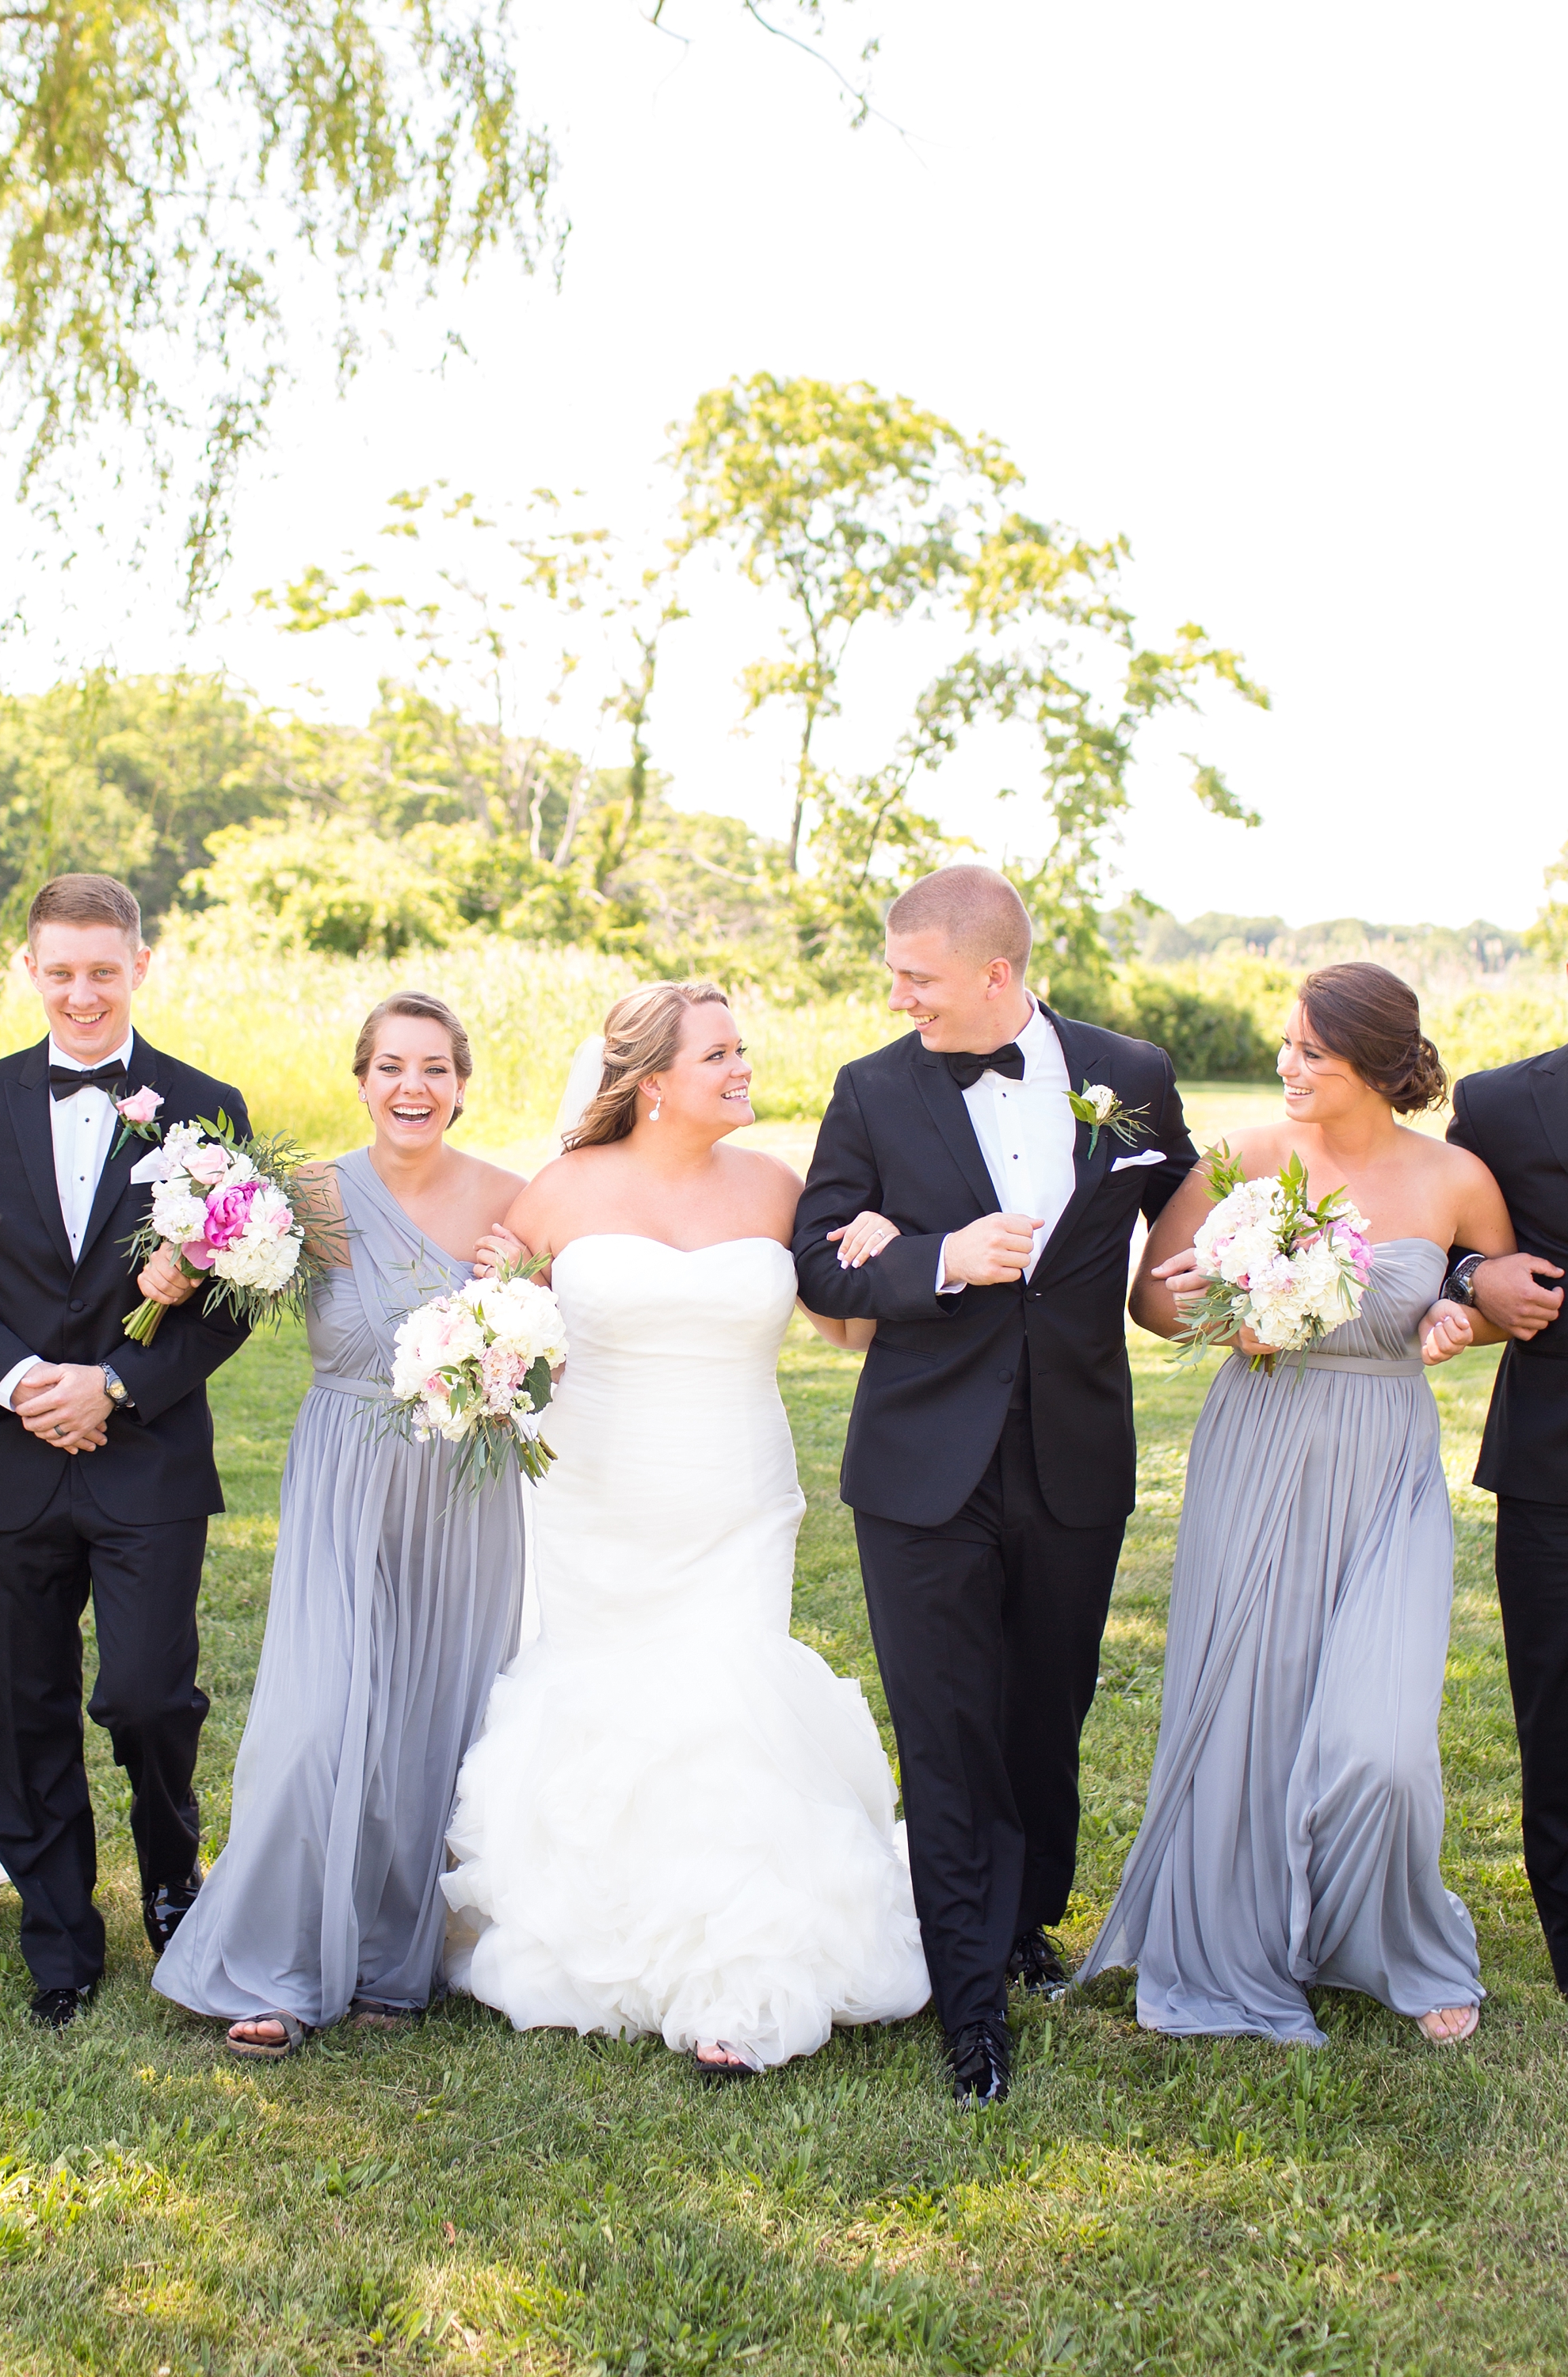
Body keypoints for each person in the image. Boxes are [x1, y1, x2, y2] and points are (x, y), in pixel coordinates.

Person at [443, 980, 929, 2080]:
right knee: (609, 1691)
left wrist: (876, 1244)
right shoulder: (561, 1189)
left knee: (727, 1695)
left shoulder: (774, 1185)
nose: (742, 1067)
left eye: (740, 1049)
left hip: (735, 1490)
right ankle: (598, 1931)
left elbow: (847, 1330)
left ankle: (740, 1969)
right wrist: (490, 1306)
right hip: (594, 1490)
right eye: (719, 1054)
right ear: (653, 1081)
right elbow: (495, 1325)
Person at [791, 864, 1200, 2108]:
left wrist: (1171, 1285)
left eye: (918, 978)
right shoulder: (871, 1089)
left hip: (1076, 1452)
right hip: (921, 1466)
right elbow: (818, 1260)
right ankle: (969, 2011)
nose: (901, 998)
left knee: (1043, 1712)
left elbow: (1173, 1186)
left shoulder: (1131, 1075)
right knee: (948, 1729)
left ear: (997, 974)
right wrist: (935, 1261)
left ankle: (1024, 1923)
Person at [1078, 961, 1514, 2046]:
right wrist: (1209, 1308)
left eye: (1311, 1051)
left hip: (1387, 1463)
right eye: (1286, 1044)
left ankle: (1397, 1941)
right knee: (1249, 1703)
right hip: (1261, 1440)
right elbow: (1153, 1300)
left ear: (1374, 1063)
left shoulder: (1457, 1178)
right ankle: (1247, 1932)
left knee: (1385, 1742)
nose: (1286, 1065)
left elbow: (1493, 1293)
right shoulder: (1249, 1158)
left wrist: (1461, 1316)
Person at [151, 993, 527, 2057]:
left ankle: (392, 1960)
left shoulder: (516, 1200)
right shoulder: (304, 1197)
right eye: (392, 1067)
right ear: (361, 1081)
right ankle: (272, 1963)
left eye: (436, 1069)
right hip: (341, 1475)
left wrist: (522, 1285)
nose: (414, 1087)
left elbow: (561, 1340)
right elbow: (198, 1291)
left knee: (432, 1718)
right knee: (313, 1720)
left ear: (462, 1083)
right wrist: (168, 1267)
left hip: (462, 1488)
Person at [0, 872, 253, 2028]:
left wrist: (121, 1385)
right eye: (61, 971)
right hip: (8, 1453)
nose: (82, 992)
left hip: (145, 1460)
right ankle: (60, 1938)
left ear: (141, 965)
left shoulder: (204, 1105)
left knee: (146, 1696)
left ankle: (172, 1878)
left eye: (105, 970)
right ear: (28, 970)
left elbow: (238, 1290)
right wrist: (22, 1383)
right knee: (19, 1701)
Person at [1442, 976, 1568, 1997]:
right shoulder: (1498, 1106)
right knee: (1558, 1711)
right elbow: (1430, 1245)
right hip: (1554, 1464)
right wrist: (1472, 1284)